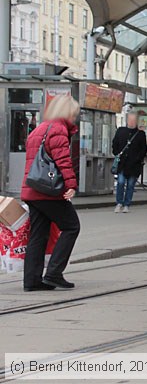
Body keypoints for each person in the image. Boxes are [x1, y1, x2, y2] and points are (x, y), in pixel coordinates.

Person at [21, 94, 82, 291]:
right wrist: (71, 184)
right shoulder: (58, 130)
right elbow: (63, 160)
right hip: (48, 191)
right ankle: (54, 273)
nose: (75, 117)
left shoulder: (40, 128)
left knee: (38, 235)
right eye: (74, 113)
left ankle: (32, 280)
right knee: (71, 226)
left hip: (32, 190)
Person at [111, 112, 147, 213]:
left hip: (134, 165)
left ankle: (127, 204)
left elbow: (144, 149)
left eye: (134, 120)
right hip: (122, 163)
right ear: (127, 120)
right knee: (121, 182)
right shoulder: (120, 131)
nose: (132, 122)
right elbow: (115, 144)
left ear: (136, 121)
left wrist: (138, 159)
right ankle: (119, 203)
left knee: (131, 184)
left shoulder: (140, 134)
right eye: (130, 120)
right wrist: (117, 153)